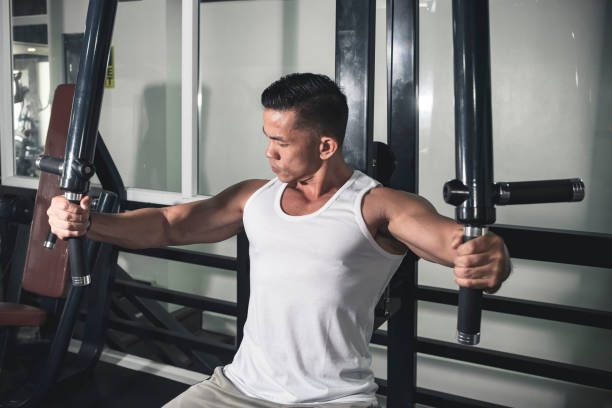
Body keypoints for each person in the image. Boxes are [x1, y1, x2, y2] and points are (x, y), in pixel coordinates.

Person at [47, 73, 510, 408]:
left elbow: (451, 243)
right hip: (237, 390)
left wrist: (490, 255)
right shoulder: (255, 197)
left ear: (325, 146)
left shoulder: (376, 205)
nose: (268, 152)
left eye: (281, 143)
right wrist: (88, 224)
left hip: (332, 400)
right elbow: (170, 223)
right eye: (266, 137)